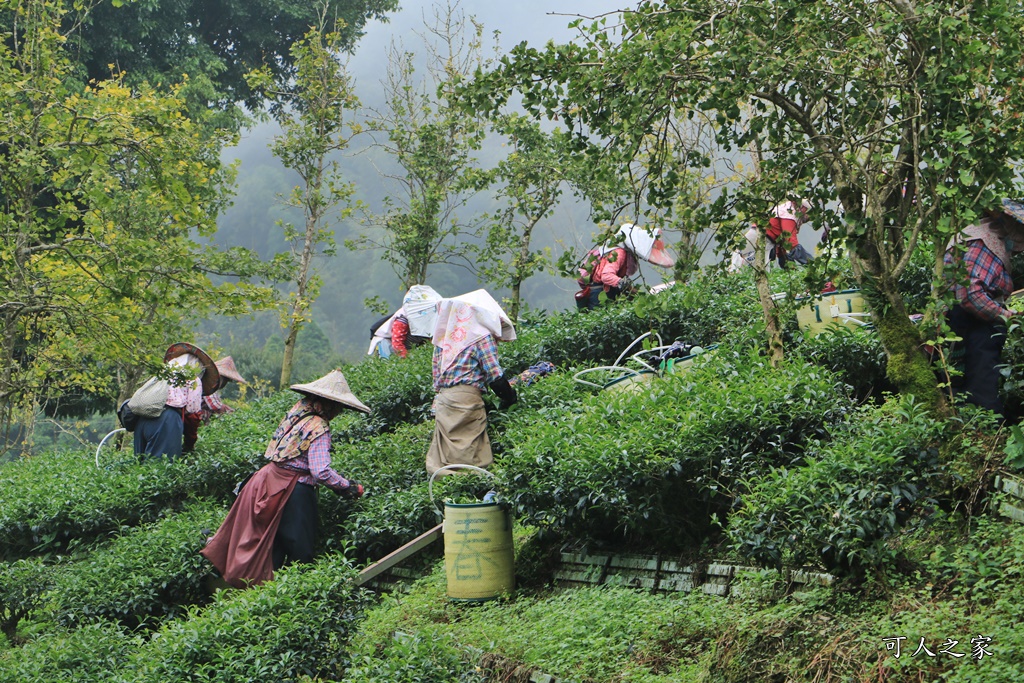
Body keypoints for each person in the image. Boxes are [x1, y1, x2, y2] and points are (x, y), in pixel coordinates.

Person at [200, 369, 370, 587]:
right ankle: (300, 594)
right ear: (329, 404)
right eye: (338, 407)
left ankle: (263, 594)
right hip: (292, 490)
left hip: (265, 480)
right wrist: (347, 486)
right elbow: (321, 471)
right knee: (301, 550)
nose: (338, 412)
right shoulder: (319, 425)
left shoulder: (297, 411)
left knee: (272, 546)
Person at [944, 198, 1024, 417]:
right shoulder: (985, 242)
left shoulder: (976, 236)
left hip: (964, 323)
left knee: (964, 384)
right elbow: (970, 295)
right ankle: (986, 434)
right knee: (981, 389)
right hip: (972, 324)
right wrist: (1007, 316)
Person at [426, 289, 518, 476]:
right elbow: (496, 377)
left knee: (446, 460)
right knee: (471, 459)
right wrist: (511, 398)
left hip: (444, 402)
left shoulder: (444, 339)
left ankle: (449, 497)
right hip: (466, 401)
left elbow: (436, 378)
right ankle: (474, 497)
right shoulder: (480, 336)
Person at [134, 342, 220, 462]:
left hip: (141, 421)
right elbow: (193, 416)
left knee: (140, 468)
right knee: (161, 469)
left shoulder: (162, 374)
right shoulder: (193, 380)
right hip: (167, 421)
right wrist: (190, 443)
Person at [575, 223, 676, 310]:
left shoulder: (616, 251)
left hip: (604, 291)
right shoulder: (619, 252)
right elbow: (606, 276)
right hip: (599, 294)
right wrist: (624, 284)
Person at [182, 356, 248, 453]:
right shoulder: (206, 385)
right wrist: (235, 414)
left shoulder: (209, 387)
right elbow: (215, 406)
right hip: (189, 419)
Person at [367, 285, 443, 359]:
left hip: (409, 345)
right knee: (389, 361)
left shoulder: (428, 319)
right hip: (388, 342)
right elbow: (397, 344)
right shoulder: (402, 319)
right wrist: (408, 360)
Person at [766, 199, 813, 267]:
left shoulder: (783, 210)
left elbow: (782, 241)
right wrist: (812, 263)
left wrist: (786, 261)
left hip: (766, 239)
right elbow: (792, 244)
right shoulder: (788, 215)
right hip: (763, 240)